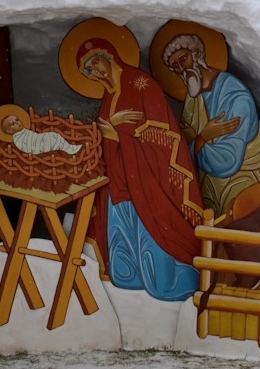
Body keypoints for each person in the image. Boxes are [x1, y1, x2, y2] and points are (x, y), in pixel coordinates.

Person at [77, 36, 204, 301]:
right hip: (119, 179)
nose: (95, 70)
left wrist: (120, 130)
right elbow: (108, 134)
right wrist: (110, 130)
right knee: (124, 240)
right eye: (88, 69)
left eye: (96, 61)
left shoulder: (142, 85)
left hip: (147, 177)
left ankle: (171, 280)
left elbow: (164, 134)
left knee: (152, 229)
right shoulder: (108, 96)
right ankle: (131, 276)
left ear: (109, 54)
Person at [161, 32, 260, 216]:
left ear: (197, 54)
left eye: (184, 58)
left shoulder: (235, 96)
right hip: (207, 191)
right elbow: (184, 147)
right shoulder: (193, 98)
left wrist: (200, 139)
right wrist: (201, 138)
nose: (182, 68)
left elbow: (228, 161)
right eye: (175, 66)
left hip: (241, 184)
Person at [0, 107, 82, 157]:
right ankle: (67, 148)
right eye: (13, 124)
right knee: (52, 137)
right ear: (9, 130)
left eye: (17, 120)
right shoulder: (17, 139)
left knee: (53, 135)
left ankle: (67, 147)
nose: (17, 123)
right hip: (38, 147)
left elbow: (34, 136)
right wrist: (38, 145)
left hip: (39, 140)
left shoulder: (23, 131)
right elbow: (27, 147)